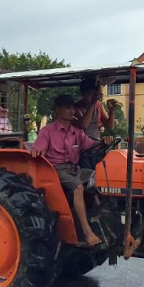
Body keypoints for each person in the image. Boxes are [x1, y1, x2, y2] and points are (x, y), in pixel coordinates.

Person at [31, 94, 109, 246]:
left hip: (75, 168)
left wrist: (105, 142)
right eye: (67, 107)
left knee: (103, 177)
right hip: (56, 171)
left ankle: (103, 220)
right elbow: (38, 149)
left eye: (72, 107)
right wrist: (37, 151)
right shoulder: (48, 131)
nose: (72, 111)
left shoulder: (76, 132)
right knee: (78, 186)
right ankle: (87, 232)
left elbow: (92, 145)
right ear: (57, 110)